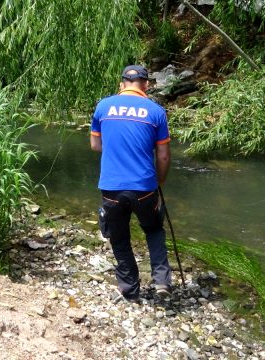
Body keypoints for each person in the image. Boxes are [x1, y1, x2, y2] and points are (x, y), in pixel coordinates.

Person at [90, 64, 172, 301]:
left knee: (119, 236)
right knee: (154, 229)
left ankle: (129, 289)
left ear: (122, 83)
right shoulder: (156, 111)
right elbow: (164, 155)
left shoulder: (103, 106)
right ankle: (161, 281)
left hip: (111, 187)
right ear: (146, 85)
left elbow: (96, 146)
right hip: (145, 187)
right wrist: (160, 183)